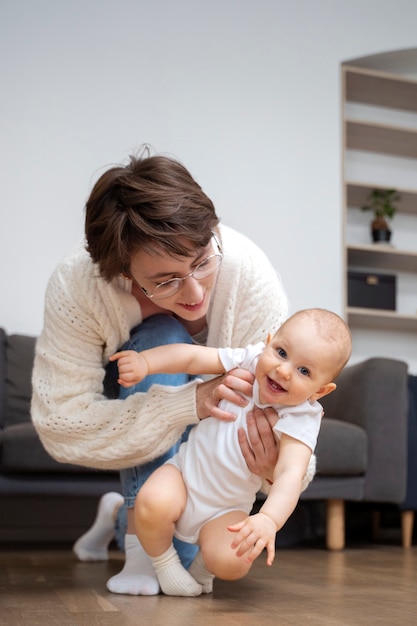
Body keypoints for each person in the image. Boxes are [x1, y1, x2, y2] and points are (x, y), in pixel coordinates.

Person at [30, 147, 289, 596]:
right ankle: (135, 538)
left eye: (203, 261)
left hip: (218, 438)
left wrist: (274, 468)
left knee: (194, 556)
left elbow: (293, 423)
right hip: (139, 388)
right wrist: (187, 404)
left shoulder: (250, 278)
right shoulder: (78, 286)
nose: (194, 292)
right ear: (123, 273)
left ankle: (120, 513)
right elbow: (59, 426)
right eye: (166, 280)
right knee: (161, 333)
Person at [110, 308, 352, 596]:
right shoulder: (250, 360)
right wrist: (145, 362)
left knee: (235, 562)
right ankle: (166, 566)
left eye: (304, 371)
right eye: (282, 352)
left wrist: (268, 519)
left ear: (321, 390)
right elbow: (192, 356)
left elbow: (290, 474)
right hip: (184, 478)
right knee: (149, 502)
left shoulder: (303, 417)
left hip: (227, 509)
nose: (283, 370)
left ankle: (203, 568)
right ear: (269, 341)